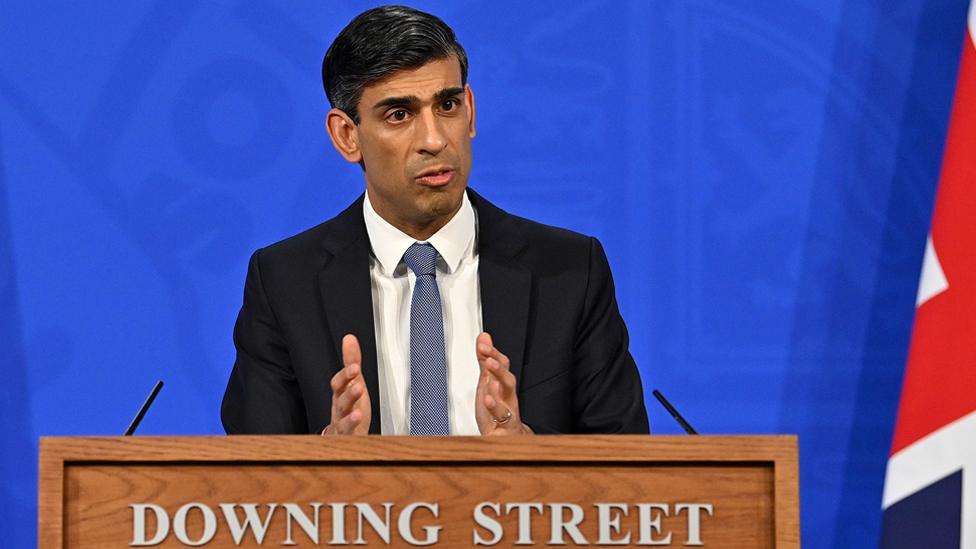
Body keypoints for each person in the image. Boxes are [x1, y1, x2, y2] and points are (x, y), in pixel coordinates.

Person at [220, 5, 649, 436]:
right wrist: (331, 459)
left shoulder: (571, 272)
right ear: (347, 136)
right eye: (399, 114)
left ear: (472, 112)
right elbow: (249, 485)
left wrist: (526, 455)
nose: (434, 139)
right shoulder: (284, 282)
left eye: (447, 105)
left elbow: (629, 481)